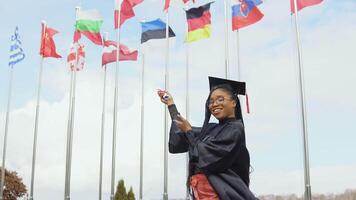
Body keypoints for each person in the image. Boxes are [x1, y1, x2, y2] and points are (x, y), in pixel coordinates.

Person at [157, 76, 257, 200]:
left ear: (233, 102)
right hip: (202, 194)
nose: (214, 104)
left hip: (221, 194)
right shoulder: (210, 129)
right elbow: (184, 131)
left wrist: (188, 130)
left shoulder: (235, 129)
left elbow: (206, 154)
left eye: (220, 99)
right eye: (211, 101)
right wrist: (171, 105)